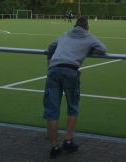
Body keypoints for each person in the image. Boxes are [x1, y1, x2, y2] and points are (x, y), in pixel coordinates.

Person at [43, 17, 107, 159]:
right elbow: (102, 49)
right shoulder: (89, 37)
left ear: (75, 25)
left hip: (54, 71)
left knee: (52, 110)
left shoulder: (65, 34)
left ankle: (54, 146)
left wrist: (50, 63)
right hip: (71, 71)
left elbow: (51, 46)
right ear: (87, 27)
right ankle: (68, 140)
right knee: (72, 106)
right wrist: (87, 50)